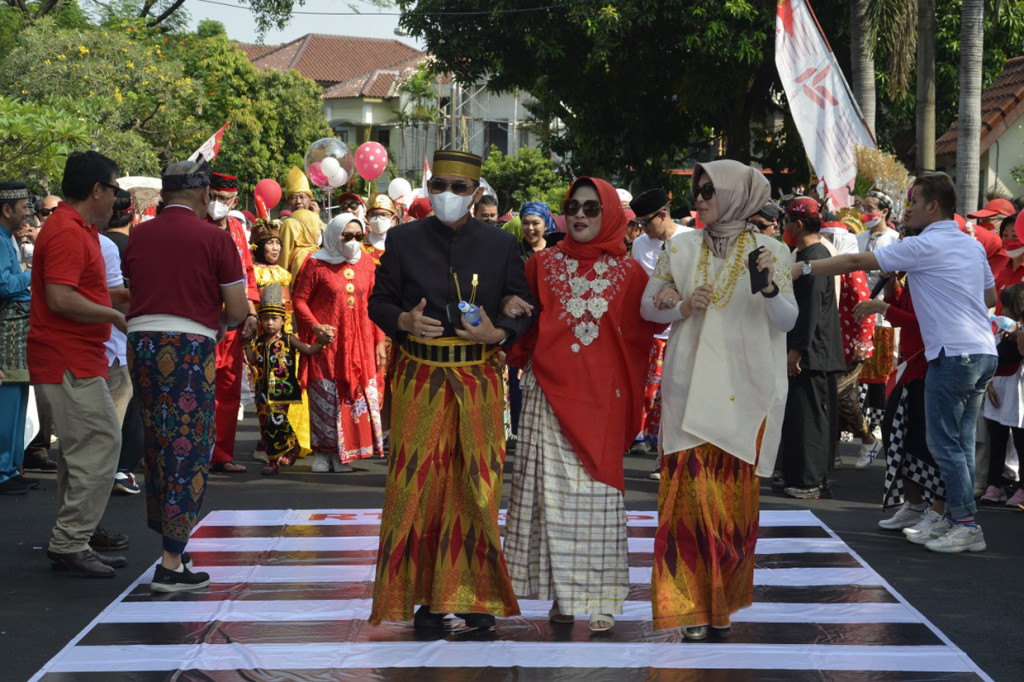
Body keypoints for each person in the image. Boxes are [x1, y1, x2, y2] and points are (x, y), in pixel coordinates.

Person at [367, 149, 534, 630]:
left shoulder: (501, 245)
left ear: (476, 194)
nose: (447, 196)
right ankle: (427, 600)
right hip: (420, 377)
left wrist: (498, 332)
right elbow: (379, 301)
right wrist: (402, 319)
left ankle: (474, 598)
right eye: (439, 185)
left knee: (477, 488)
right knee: (418, 487)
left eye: (459, 189)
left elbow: (522, 304)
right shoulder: (401, 240)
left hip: (479, 380)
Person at [793, 173, 997, 553]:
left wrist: (802, 268)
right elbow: (988, 295)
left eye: (914, 202)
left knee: (945, 445)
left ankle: (966, 523)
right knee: (961, 444)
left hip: (953, 354)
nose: (907, 209)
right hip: (982, 351)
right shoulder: (970, 245)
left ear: (933, 207)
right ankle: (959, 519)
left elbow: (854, 259)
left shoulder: (924, 245)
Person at [640, 159, 797, 639]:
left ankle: (720, 601)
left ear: (736, 196)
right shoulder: (680, 246)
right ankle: (688, 606)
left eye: (709, 190)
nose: (699, 199)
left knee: (731, 508)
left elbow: (786, 319)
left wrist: (770, 287)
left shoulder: (772, 250)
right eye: (698, 190)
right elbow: (649, 305)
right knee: (688, 504)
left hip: (746, 391)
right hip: (688, 388)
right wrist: (680, 305)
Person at [503, 176, 657, 633]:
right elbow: (524, 328)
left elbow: (643, 336)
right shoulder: (542, 264)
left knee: (598, 500)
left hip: (602, 401)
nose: (581, 216)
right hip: (546, 396)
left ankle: (602, 598)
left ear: (609, 213)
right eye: (573, 207)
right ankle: (563, 597)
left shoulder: (631, 274)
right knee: (547, 500)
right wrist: (508, 309)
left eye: (592, 208)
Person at [124, 159, 249, 591]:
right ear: (201, 195)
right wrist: (217, 322)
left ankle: (171, 543)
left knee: (158, 441)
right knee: (188, 444)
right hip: (188, 347)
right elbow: (237, 311)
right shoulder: (215, 238)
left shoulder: (137, 236)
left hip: (140, 343)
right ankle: (170, 561)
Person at [29, 151, 130, 577]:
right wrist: (115, 315)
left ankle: (76, 537)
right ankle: (70, 540)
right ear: (96, 190)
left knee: (82, 451)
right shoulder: (69, 231)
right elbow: (61, 298)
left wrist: (128, 300)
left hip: (76, 356)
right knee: (102, 444)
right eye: (112, 190)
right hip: (68, 358)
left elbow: (88, 291)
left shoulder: (78, 229)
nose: (115, 201)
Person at [293, 214, 387, 473]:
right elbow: (299, 300)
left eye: (359, 236)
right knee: (325, 391)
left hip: (360, 343)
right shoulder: (316, 263)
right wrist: (315, 326)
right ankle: (324, 453)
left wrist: (379, 342)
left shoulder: (368, 264)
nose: (354, 242)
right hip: (327, 344)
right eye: (347, 236)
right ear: (334, 235)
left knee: (352, 392)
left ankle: (347, 454)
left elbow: (375, 305)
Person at [629, 188, 689, 475]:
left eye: (645, 222)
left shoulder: (690, 241)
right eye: (638, 224)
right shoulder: (640, 245)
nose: (642, 229)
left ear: (663, 215)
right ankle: (661, 456)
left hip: (681, 331)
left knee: (676, 399)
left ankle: (674, 460)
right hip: (650, 331)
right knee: (650, 396)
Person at [207, 171, 260, 474]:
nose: (217, 204)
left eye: (223, 199)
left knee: (228, 390)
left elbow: (247, 275)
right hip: (205, 321)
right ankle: (197, 453)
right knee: (200, 389)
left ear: (235, 201)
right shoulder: (198, 227)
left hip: (235, 322)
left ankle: (222, 454)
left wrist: (251, 314)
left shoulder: (239, 229)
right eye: (213, 197)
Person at [245, 283, 321, 475]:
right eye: (265, 319)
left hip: (282, 390)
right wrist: (246, 343)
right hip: (262, 392)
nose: (270, 323)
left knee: (276, 423)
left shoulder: (288, 339)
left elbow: (308, 350)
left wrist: (322, 342)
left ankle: (275, 460)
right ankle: (290, 446)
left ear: (283, 320)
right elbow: (253, 360)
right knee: (266, 426)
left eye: (274, 319)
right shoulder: (260, 341)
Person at [0, 182, 35, 495]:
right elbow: (4, 284)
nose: (28, 213)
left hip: (17, 329)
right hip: (7, 330)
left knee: (18, 399)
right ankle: (3, 471)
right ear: (6, 209)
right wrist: (33, 272)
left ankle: (12, 467)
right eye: (24, 206)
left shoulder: (7, 237)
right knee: (7, 403)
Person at [279, 167, 325, 281]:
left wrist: (316, 218)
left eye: (302, 197)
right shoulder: (284, 223)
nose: (298, 201)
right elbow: (283, 258)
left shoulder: (320, 222)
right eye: (293, 198)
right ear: (289, 203)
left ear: (311, 200)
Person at [364, 193, 399, 262]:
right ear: (367, 218)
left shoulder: (401, 244)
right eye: (373, 215)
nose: (377, 219)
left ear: (393, 218)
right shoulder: (360, 245)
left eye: (383, 215)